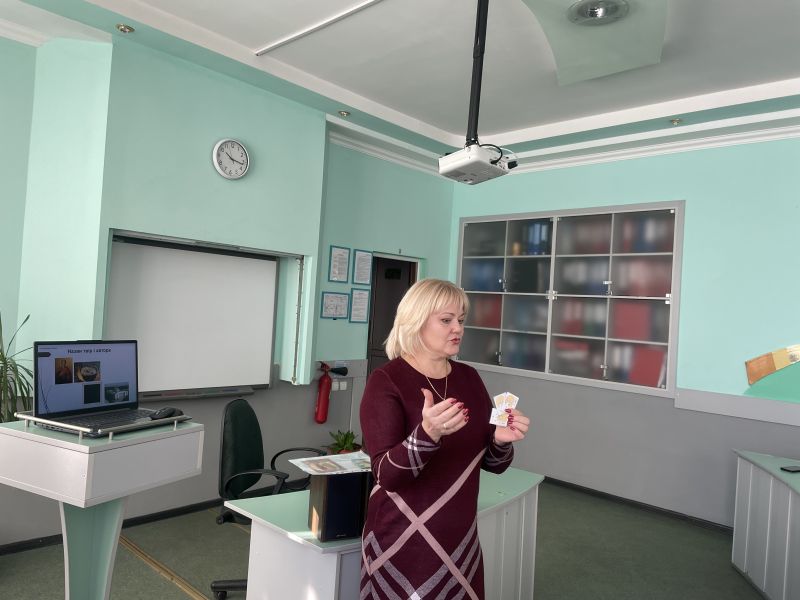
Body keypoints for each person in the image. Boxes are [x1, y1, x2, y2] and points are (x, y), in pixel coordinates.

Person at [360, 278, 530, 599]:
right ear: (416, 321)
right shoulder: (386, 381)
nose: (458, 329)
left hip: (460, 539)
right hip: (402, 539)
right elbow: (386, 475)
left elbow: (493, 465)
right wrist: (428, 434)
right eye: (446, 320)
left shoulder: (469, 378)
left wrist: (501, 441)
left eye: (461, 320)